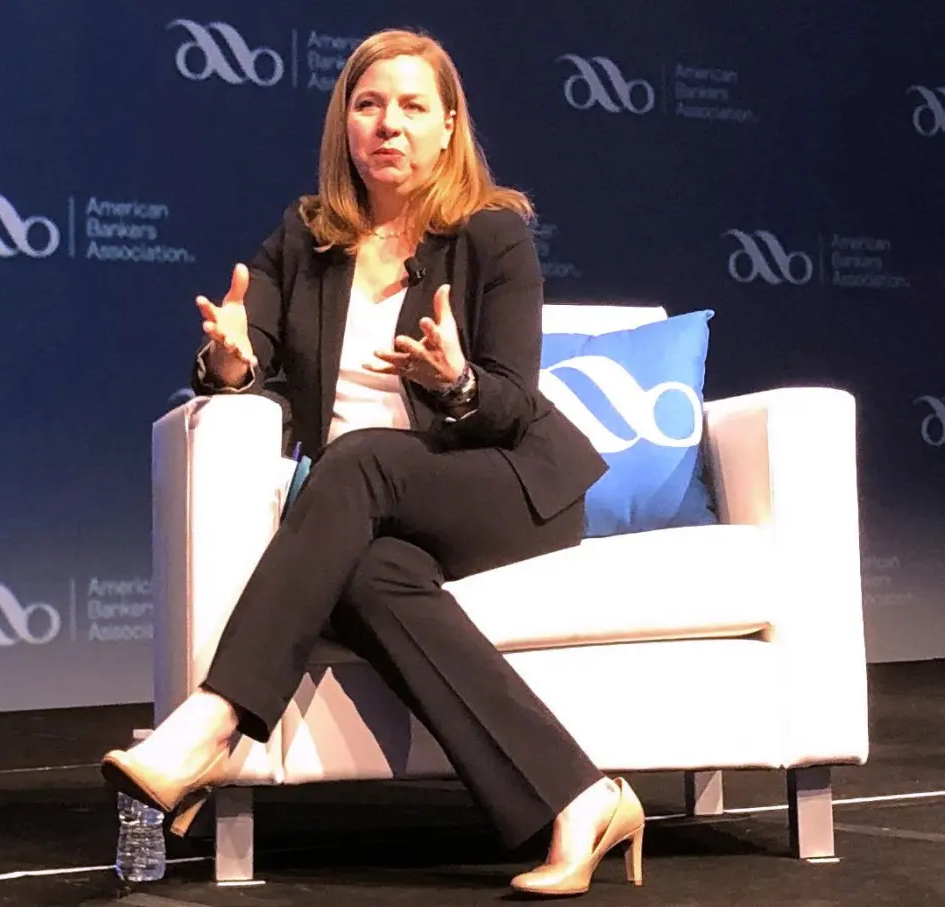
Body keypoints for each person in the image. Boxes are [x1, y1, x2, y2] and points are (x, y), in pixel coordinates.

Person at [102, 28, 646, 897]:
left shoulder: (491, 235)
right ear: (343, 125)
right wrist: (232, 365)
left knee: (355, 462)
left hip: (505, 485)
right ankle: (584, 797)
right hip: (377, 511)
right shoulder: (306, 236)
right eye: (368, 104)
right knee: (372, 576)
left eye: (411, 106)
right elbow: (250, 354)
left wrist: (458, 378)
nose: (387, 124)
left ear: (447, 126)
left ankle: (209, 726)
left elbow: (511, 398)